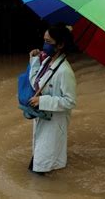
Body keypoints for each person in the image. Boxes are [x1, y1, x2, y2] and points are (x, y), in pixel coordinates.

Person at [27, 24, 77, 174]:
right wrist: (34, 60)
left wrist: (43, 101)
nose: (44, 45)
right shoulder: (47, 61)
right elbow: (36, 82)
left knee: (41, 166)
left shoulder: (65, 71)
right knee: (39, 161)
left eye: (49, 42)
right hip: (43, 118)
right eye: (44, 41)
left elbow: (70, 101)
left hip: (55, 123)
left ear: (60, 45)